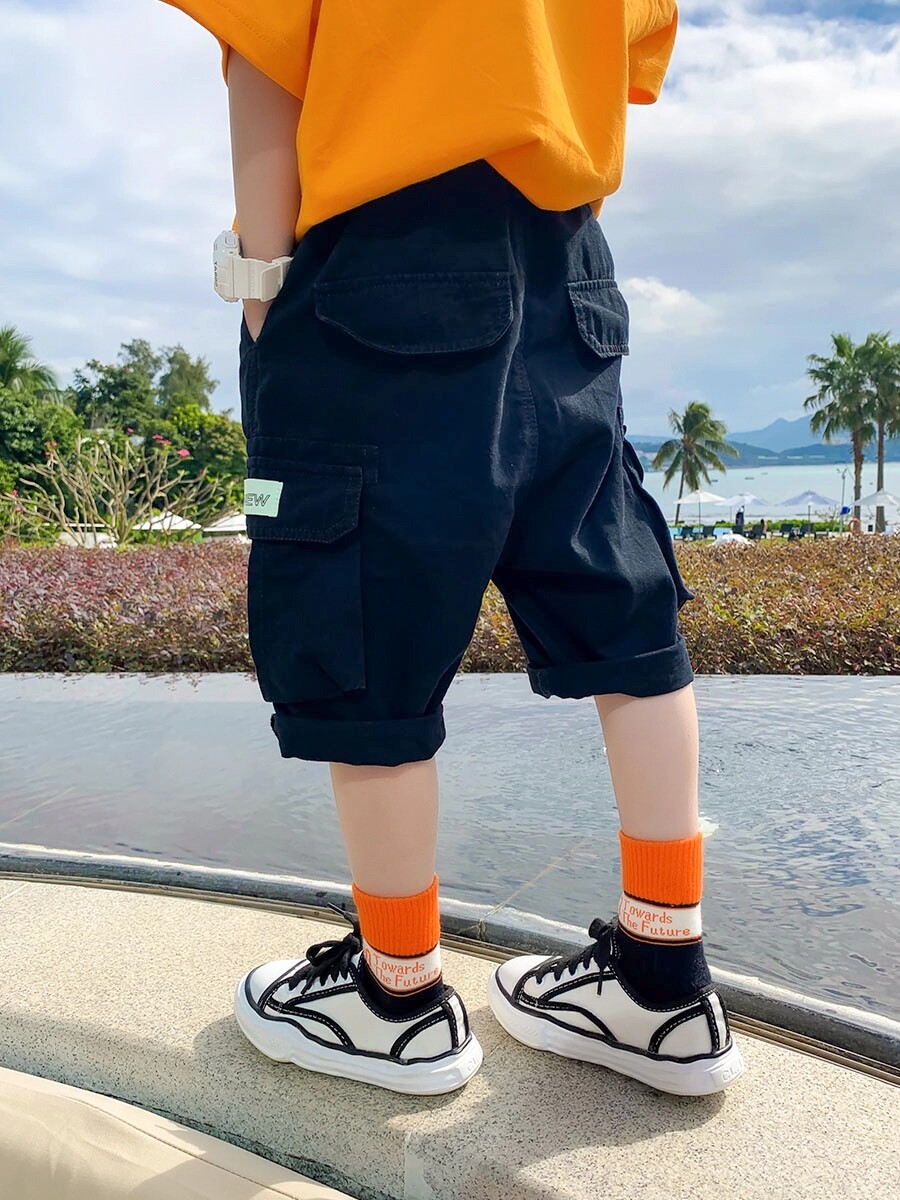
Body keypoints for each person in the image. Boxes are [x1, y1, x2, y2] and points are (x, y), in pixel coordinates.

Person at [164, 0, 743, 1098]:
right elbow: (597, 78)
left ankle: (397, 997)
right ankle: (664, 980)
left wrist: (262, 285)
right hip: (569, 269)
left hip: (384, 255)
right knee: (622, 604)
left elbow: (269, 65)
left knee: (362, 618)